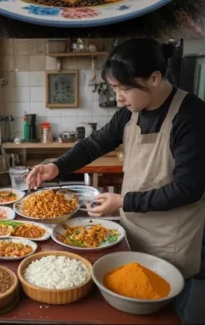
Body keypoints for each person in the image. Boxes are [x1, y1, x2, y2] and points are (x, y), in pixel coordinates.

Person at [26, 39, 205, 324]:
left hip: (171, 241)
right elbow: (92, 145)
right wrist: (56, 167)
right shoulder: (129, 112)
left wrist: (123, 201)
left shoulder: (192, 116)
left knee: (165, 315)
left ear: (155, 78)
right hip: (131, 235)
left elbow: (189, 188)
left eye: (124, 88)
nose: (119, 98)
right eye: (114, 89)